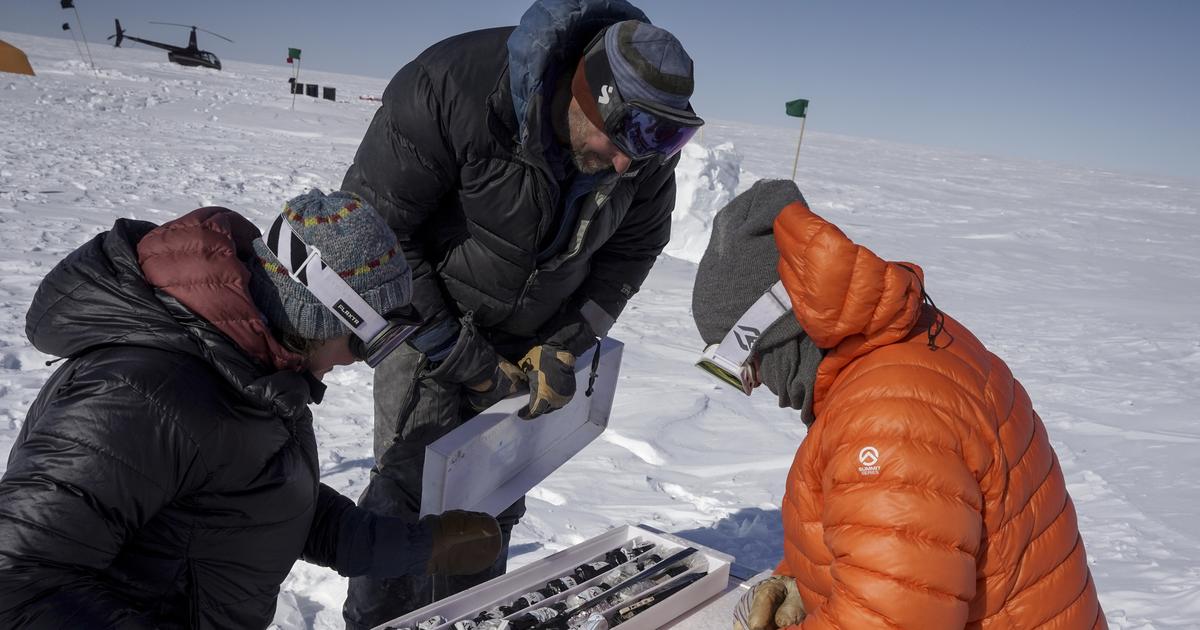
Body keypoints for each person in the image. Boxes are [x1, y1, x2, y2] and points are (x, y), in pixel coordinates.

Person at [339, 0, 703, 624]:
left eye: (648, 150)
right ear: (586, 97)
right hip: (423, 318)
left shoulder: (643, 154)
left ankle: (470, 617)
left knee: (493, 496)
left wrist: (569, 340)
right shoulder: (452, 88)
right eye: (620, 142)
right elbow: (374, 239)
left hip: (532, 335)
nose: (627, 165)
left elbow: (634, 250)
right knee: (408, 491)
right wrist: (460, 356)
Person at [0, 190, 502, 629]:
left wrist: (419, 546)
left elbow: (262, 502)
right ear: (322, 315)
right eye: (365, 344)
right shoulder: (138, 394)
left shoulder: (256, 367)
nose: (358, 364)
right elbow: (18, 582)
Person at [691, 180, 1107, 629]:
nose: (759, 388)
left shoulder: (886, 417)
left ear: (772, 333)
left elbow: (891, 620)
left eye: (741, 367)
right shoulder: (904, 346)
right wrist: (802, 581)